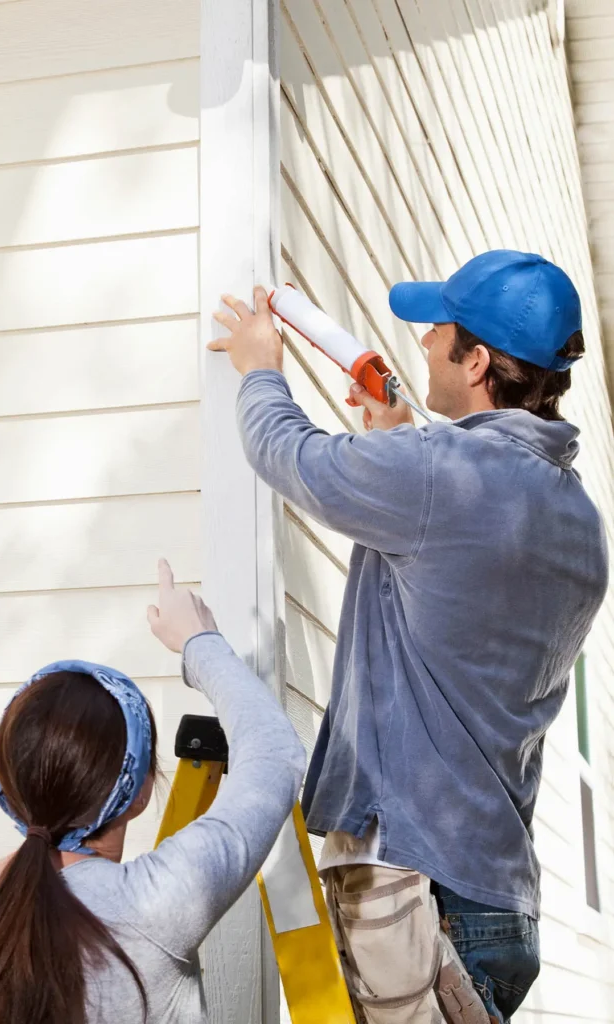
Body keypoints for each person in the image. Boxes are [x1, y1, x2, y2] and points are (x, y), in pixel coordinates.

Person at [209, 250, 609, 1024]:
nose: (421, 341)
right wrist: (395, 433)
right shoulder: (580, 520)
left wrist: (260, 367)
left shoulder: (437, 473)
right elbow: (458, 575)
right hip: (498, 899)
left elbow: (283, 452)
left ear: (479, 360)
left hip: (413, 889)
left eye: (436, 329)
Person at [0, 560, 305, 1024]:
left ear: (10, 784)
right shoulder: (154, 904)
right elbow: (273, 756)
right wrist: (198, 641)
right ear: (140, 791)